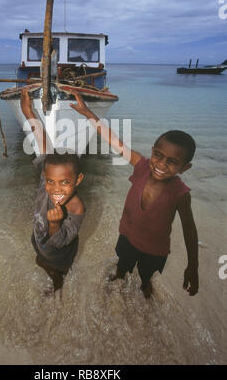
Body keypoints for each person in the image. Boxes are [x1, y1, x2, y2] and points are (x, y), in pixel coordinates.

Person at [69, 92, 199, 299]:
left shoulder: (180, 193)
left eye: (172, 162)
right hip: (128, 237)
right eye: (158, 155)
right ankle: (118, 279)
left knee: (146, 278)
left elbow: (190, 231)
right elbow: (113, 140)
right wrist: (87, 113)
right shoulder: (141, 166)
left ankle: (146, 287)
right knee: (122, 267)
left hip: (155, 250)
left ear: (185, 168)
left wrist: (193, 267)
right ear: (153, 151)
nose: (161, 165)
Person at [20, 88, 85, 294]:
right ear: (45, 176)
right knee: (39, 255)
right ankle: (44, 260)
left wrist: (55, 224)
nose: (56, 188)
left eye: (65, 182)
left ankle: (58, 285)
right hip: (38, 235)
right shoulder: (45, 181)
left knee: (55, 269)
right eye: (50, 181)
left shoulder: (76, 207)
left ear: (78, 180)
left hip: (59, 251)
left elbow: (63, 240)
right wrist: (28, 113)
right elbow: (44, 145)